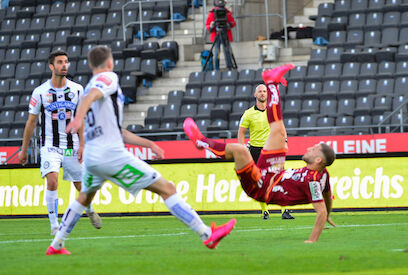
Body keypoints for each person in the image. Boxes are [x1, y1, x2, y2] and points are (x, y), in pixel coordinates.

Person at [46, 46, 235, 255]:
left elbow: (118, 130)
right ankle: (207, 235)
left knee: (84, 198)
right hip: (111, 155)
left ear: (90, 65)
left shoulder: (89, 87)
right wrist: (79, 117)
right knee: (167, 188)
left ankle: (57, 244)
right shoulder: (108, 78)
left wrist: (149, 144)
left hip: (93, 157)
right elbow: (92, 95)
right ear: (109, 63)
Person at [184, 64, 336, 243]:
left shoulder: (312, 181)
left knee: (240, 150)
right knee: (278, 129)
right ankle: (272, 83)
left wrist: (312, 239)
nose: (310, 148)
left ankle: (201, 141)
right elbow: (327, 192)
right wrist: (328, 213)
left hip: (260, 186)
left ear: (318, 159)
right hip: (274, 171)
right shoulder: (322, 175)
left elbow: (320, 210)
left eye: (314, 149)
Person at [19, 50, 102, 235]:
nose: (64, 65)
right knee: (52, 181)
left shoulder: (77, 89)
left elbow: (80, 118)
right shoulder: (40, 92)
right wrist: (24, 150)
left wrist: (82, 145)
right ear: (51, 66)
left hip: (72, 146)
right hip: (51, 146)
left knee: (82, 187)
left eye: (66, 62)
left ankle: (88, 209)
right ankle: (54, 225)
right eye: (60, 62)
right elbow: (31, 122)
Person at [238, 84, 294, 220]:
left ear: (267, 95)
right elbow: (241, 132)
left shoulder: (272, 111)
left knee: (281, 179)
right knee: (259, 182)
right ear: (255, 95)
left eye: (264, 91)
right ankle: (265, 212)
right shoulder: (248, 114)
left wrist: (285, 140)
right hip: (256, 150)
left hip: (273, 148)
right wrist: (242, 148)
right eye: (260, 92)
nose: (262, 93)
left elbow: (281, 127)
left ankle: (285, 210)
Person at [205, 0, 236, 70]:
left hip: (226, 33)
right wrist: (211, 26)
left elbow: (233, 22)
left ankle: (229, 67)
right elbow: (207, 25)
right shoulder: (212, 12)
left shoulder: (227, 12)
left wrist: (229, 25)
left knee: (227, 50)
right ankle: (217, 68)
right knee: (217, 52)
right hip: (216, 34)